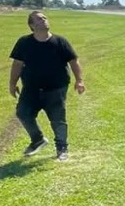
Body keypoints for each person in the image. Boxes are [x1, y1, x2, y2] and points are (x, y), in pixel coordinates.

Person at [8, 11, 85, 161]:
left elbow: (73, 61)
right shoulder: (24, 42)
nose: (43, 20)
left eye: (44, 18)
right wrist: (12, 83)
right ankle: (37, 140)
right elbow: (17, 64)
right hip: (31, 89)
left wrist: (79, 80)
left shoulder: (60, 41)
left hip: (56, 88)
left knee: (58, 119)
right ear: (32, 25)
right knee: (23, 113)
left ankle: (62, 148)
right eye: (39, 19)